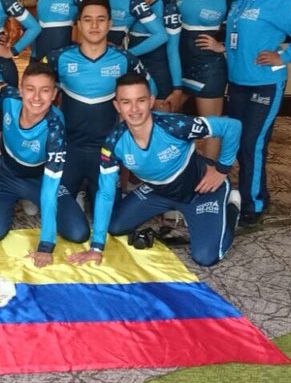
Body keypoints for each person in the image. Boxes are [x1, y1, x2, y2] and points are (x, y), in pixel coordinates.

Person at [198, 0, 291, 226]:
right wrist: (222, 48)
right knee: (240, 143)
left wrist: (284, 55)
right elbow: (242, 40)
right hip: (238, 84)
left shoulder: (277, 0)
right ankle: (259, 195)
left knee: (252, 144)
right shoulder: (240, 1)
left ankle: (251, 205)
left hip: (265, 84)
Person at [68, 73, 243, 268]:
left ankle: (232, 206)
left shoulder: (174, 126)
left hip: (201, 190)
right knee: (115, 226)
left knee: (205, 257)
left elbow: (232, 126)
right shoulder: (114, 142)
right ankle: (175, 209)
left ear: (151, 101)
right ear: (117, 106)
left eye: (140, 100)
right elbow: (106, 193)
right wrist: (96, 247)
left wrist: (221, 170)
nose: (134, 109)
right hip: (159, 191)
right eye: (126, 102)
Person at [43, 0, 154, 209]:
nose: (94, 25)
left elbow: (150, 92)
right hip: (69, 148)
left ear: (110, 23)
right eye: (88, 19)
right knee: (61, 212)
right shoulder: (58, 58)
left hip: (106, 149)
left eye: (101, 19)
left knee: (111, 216)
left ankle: (92, 189)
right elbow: (35, 92)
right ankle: (79, 189)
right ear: (78, 24)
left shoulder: (125, 60)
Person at [0, 62, 89, 266]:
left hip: (39, 179)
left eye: (45, 90)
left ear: (54, 94)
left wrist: (46, 245)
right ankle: (21, 198)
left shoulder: (55, 127)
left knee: (78, 232)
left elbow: (50, 188)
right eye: (30, 89)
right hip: (3, 172)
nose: (37, 98)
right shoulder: (9, 96)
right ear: (21, 90)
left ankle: (32, 197)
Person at [173, 0, 229, 160]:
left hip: (209, 69)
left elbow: (242, 32)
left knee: (210, 126)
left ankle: (211, 173)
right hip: (180, 66)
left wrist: (221, 47)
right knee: (173, 121)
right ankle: (178, 170)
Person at [131, 0, 182, 110]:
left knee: (160, 122)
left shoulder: (169, 6)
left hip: (159, 72)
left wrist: (177, 89)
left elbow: (173, 50)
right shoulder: (132, 0)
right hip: (132, 69)